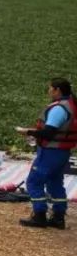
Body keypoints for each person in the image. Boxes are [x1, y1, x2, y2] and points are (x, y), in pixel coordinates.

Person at [16, 78, 76, 230]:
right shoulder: (71, 104)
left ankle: (39, 215)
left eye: (50, 88)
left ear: (57, 90)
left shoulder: (59, 109)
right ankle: (58, 218)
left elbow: (49, 133)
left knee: (34, 182)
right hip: (62, 152)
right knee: (55, 183)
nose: (48, 91)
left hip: (50, 152)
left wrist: (28, 131)